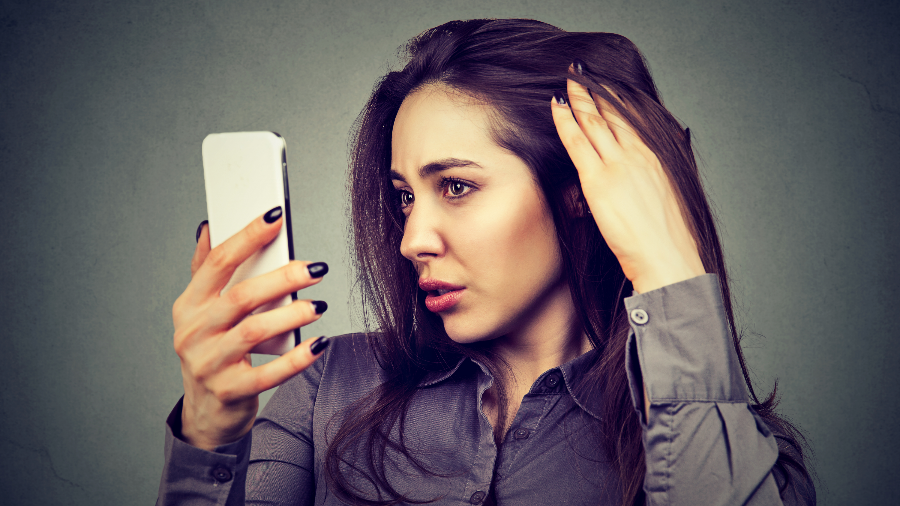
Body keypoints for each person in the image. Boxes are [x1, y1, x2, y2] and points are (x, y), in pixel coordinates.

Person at [158, 18, 815, 505]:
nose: (413, 237)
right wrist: (208, 437)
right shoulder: (327, 389)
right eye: (404, 197)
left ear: (581, 192)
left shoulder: (739, 451)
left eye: (457, 187)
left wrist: (672, 268)